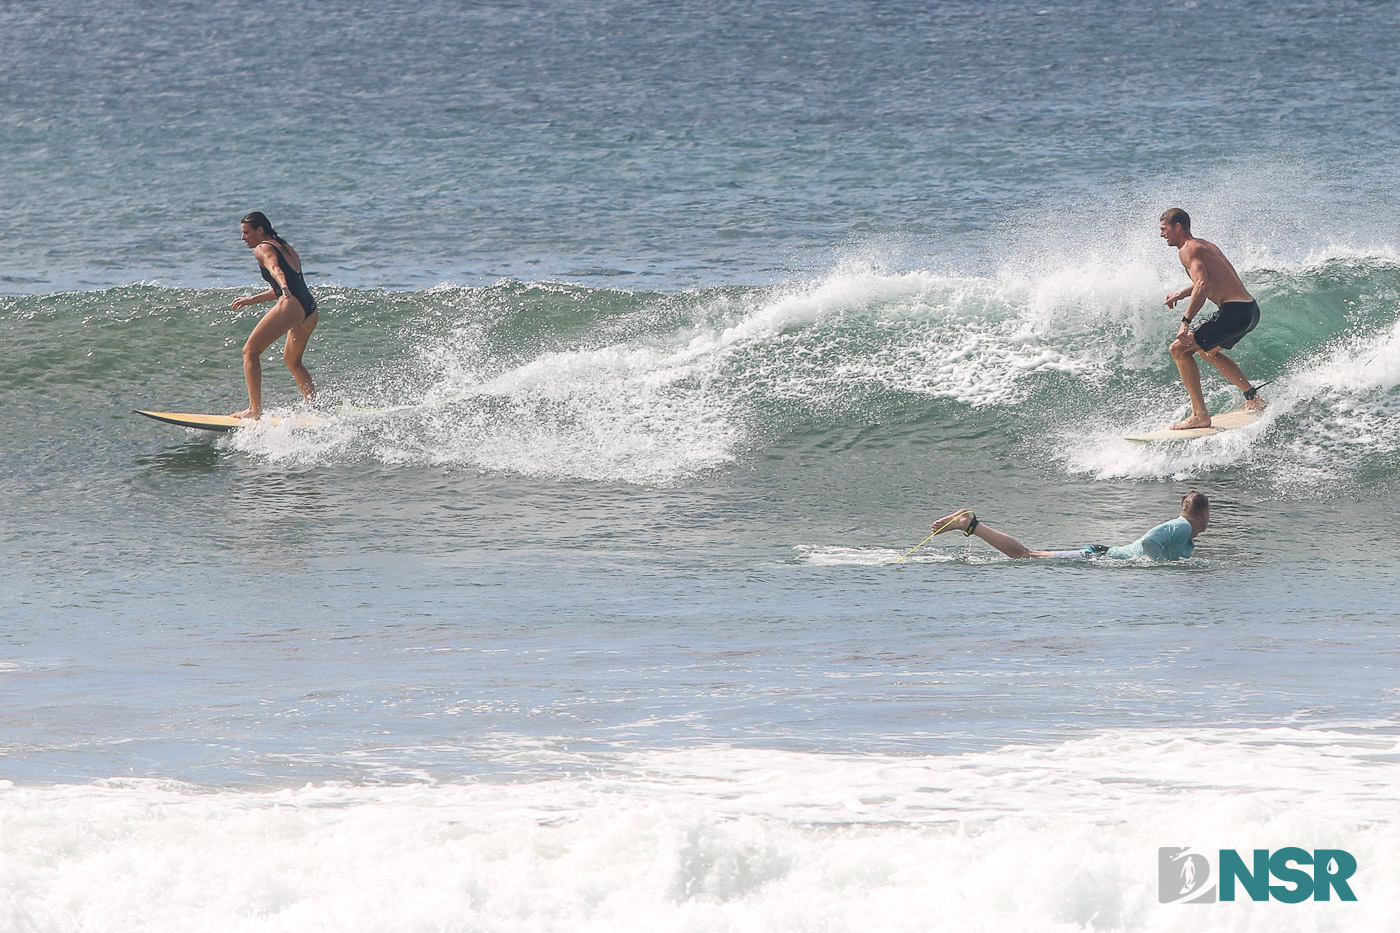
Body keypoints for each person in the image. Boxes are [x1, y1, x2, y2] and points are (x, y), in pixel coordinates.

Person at [1159, 208, 1265, 430]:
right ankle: (1253, 398)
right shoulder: (1204, 245)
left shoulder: (1187, 250)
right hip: (1249, 310)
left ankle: (1199, 414)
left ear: (1177, 227)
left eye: (1164, 229)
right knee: (1207, 351)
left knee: (1178, 349)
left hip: (1233, 311)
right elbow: (1208, 278)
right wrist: (1181, 293)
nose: (1162, 235)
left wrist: (1185, 321)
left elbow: (1203, 285)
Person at [929, 491, 1209, 561]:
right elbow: (1149, 542)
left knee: (1028, 554)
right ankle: (971, 524)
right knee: (1024, 555)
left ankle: (970, 522)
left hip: (1101, 555)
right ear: (1204, 514)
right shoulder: (1182, 525)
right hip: (1098, 557)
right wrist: (1157, 565)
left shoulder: (1184, 530)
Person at [230, 212, 318, 419]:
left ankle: (254, 410)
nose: (243, 238)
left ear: (260, 230)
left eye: (246, 233)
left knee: (250, 352)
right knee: (293, 361)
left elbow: (275, 269)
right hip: (309, 308)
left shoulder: (263, 248)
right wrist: (250, 300)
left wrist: (283, 285)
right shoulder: (285, 246)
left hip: (292, 305)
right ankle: (314, 408)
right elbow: (286, 287)